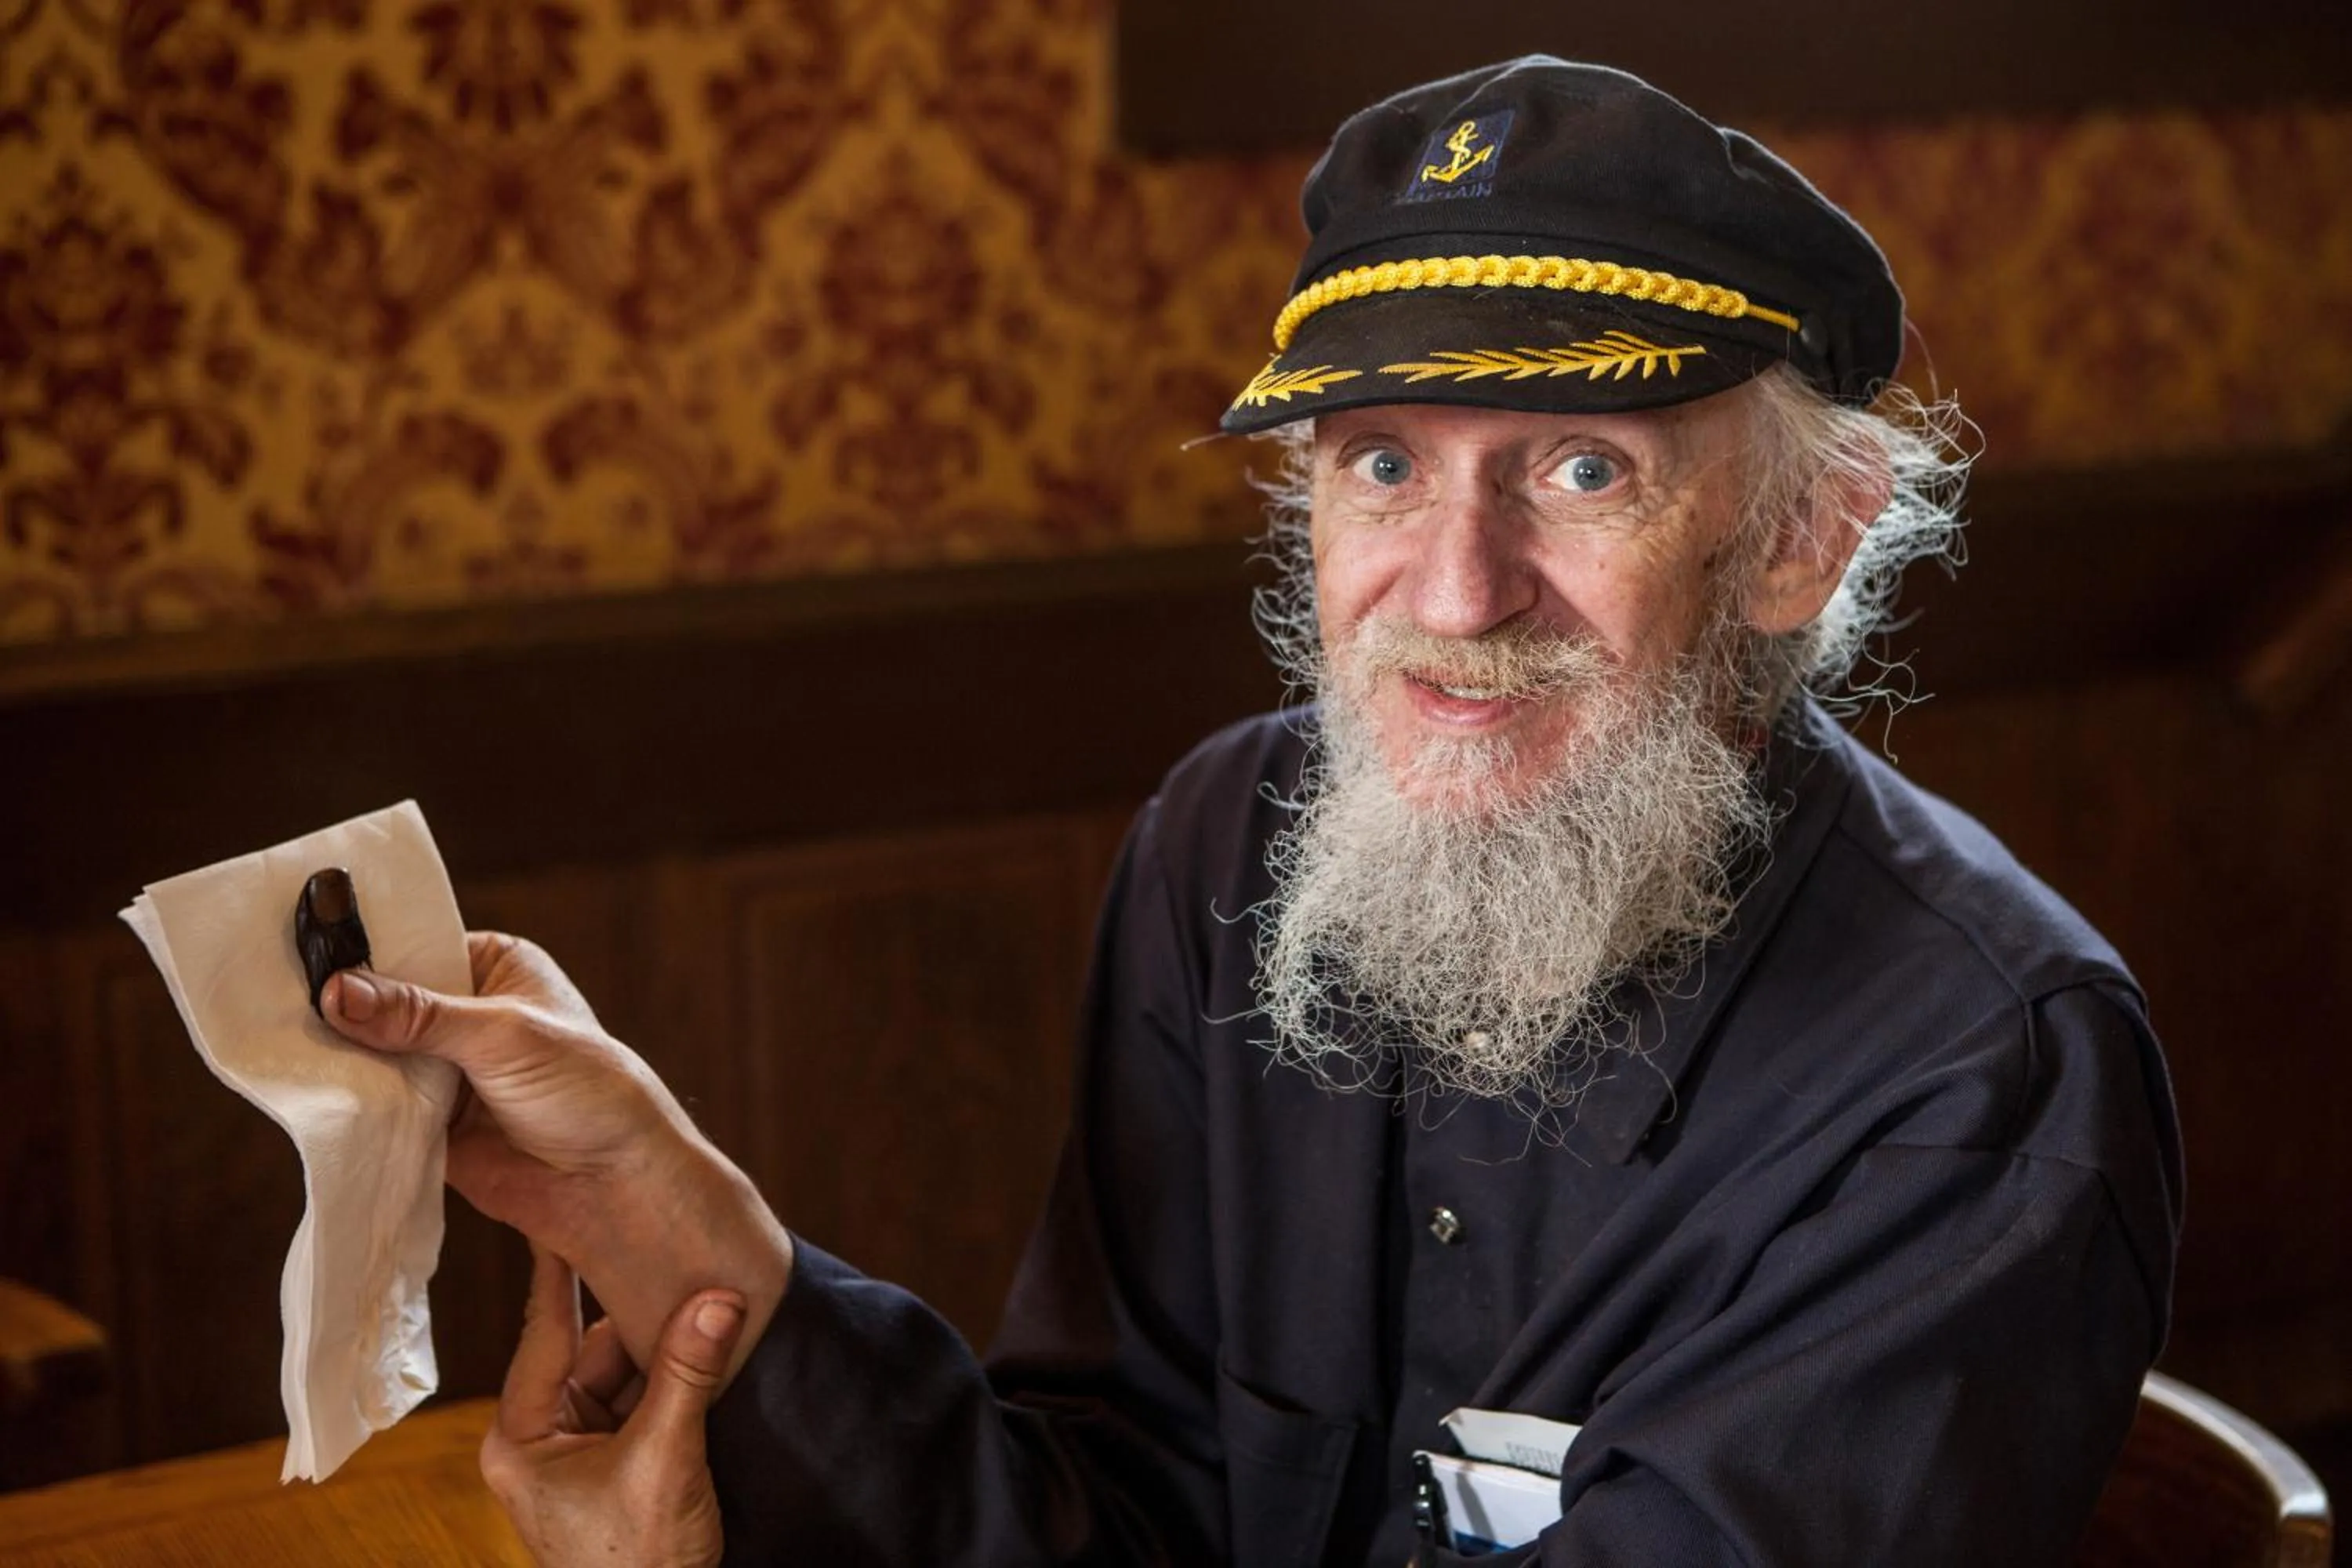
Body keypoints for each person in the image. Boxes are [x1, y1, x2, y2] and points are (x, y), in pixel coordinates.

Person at [322, 57, 2181, 1566]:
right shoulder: (1232, 849)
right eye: (1383, 463)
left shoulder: (1980, 1079)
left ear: (1797, 541)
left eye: (1581, 468)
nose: (1455, 593)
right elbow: (1108, 1516)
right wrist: (682, 1229)